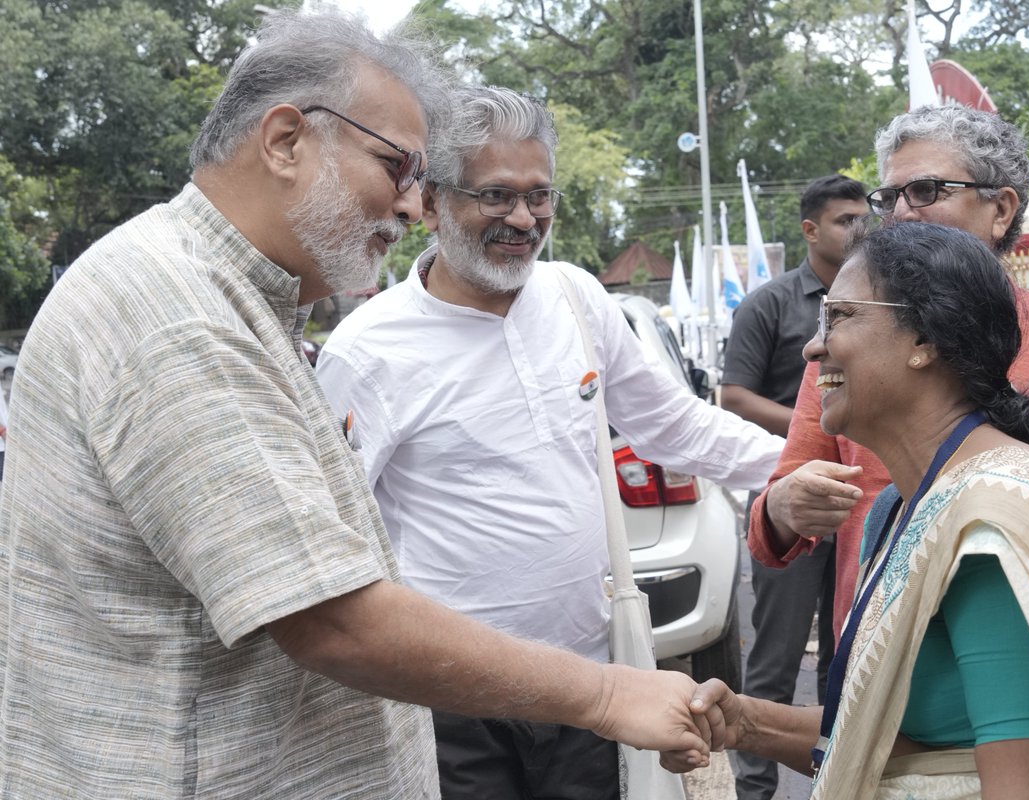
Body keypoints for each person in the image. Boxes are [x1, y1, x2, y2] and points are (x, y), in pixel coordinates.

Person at [0, 14, 725, 798]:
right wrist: (609, 694)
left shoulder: (224, 296)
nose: (415, 207)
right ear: (285, 141)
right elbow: (332, 618)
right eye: (398, 167)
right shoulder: (179, 322)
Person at [315, 85, 784, 800]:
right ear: (434, 201)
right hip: (450, 702)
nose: (523, 219)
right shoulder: (369, 351)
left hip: (586, 681)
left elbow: (674, 425)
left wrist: (799, 464)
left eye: (540, 196)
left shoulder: (574, 298)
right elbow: (338, 540)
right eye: (496, 196)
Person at [667, 221, 1029, 799]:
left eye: (842, 317)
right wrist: (744, 722)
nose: (813, 345)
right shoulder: (900, 506)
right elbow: (916, 748)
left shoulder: (991, 533)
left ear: (925, 340)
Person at [747, 104, 1029, 663]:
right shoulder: (850, 335)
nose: (902, 215)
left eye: (927, 190)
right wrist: (784, 508)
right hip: (877, 664)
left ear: (1001, 210)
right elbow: (775, 520)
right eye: (888, 199)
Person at [719, 175, 867, 800]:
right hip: (792, 499)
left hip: (862, 498)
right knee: (775, 659)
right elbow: (733, 395)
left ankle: (843, 778)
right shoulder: (773, 303)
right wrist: (822, 424)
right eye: (844, 220)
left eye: (866, 217)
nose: (859, 229)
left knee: (854, 655)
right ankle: (755, 792)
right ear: (810, 230)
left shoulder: (888, 299)